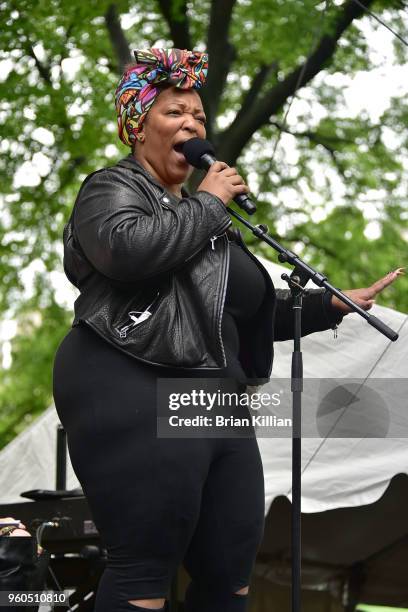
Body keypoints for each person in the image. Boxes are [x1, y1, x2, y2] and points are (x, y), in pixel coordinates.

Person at [52, 48, 403, 612]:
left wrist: (327, 307)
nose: (193, 124)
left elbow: (235, 310)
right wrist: (211, 205)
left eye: (198, 115)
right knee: (146, 565)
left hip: (215, 392)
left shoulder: (203, 217)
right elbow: (126, 251)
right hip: (133, 378)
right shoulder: (110, 189)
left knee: (230, 563)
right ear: (138, 129)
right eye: (175, 113)